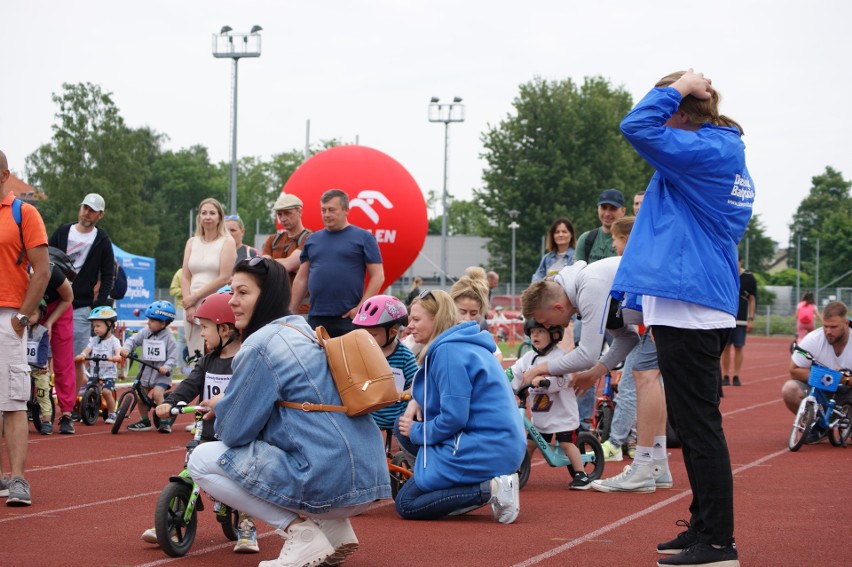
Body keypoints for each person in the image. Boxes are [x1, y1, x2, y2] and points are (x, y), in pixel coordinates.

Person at [611, 69, 752, 566]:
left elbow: (636, 126)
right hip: (688, 300)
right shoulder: (713, 148)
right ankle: (704, 529)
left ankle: (718, 543)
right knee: (694, 428)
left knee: (699, 428)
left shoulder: (709, 149)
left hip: (692, 305)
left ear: (680, 110)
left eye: (668, 103)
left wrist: (682, 82)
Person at [188, 258, 389, 567]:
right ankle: (335, 529)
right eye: (231, 291)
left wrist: (226, 406)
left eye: (243, 292)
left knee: (201, 459)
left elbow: (233, 432)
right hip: (368, 475)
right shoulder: (306, 331)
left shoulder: (260, 344)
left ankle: (299, 533)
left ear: (267, 296)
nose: (232, 300)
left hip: (329, 480)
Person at [142, 291, 260, 553]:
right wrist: (170, 402)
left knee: (242, 478)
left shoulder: (245, 361)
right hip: (207, 431)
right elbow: (189, 386)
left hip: (237, 434)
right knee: (191, 466)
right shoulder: (207, 361)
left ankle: (246, 524)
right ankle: (173, 520)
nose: (202, 334)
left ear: (226, 329)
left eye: (206, 327)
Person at [393, 290, 525, 523]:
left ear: (437, 319)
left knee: (407, 504)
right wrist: (415, 401)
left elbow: (454, 418)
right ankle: (450, 489)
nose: (409, 326)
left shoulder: (447, 352)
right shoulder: (458, 344)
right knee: (401, 427)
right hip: (496, 441)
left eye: (416, 319)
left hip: (488, 447)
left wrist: (417, 431)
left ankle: (491, 488)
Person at [579, 216, 674, 493]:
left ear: (629, 239)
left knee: (645, 378)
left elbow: (653, 291)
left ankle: (644, 465)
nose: (613, 245)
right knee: (651, 380)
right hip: (656, 324)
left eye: (617, 240)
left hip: (660, 324)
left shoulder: (639, 258)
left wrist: (656, 322)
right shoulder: (646, 256)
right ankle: (657, 464)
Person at [0, 149, 51, 507]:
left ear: (4, 176)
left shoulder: (24, 212)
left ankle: (17, 478)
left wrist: (22, 316)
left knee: (14, 401)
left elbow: (43, 270)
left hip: (8, 317)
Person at [519, 258, 639, 407]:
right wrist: (594, 373)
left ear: (558, 308)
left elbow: (587, 356)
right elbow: (628, 338)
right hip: (666, 313)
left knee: (646, 374)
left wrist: (540, 368)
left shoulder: (589, 287)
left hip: (671, 308)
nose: (547, 326)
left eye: (545, 320)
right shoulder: (582, 290)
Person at [508, 319, 591, 489]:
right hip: (542, 416)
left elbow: (566, 379)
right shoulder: (528, 358)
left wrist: (545, 381)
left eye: (540, 331)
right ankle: (519, 471)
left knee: (567, 444)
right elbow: (514, 372)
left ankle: (580, 474)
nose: (534, 335)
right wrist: (503, 382)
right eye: (532, 332)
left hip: (562, 414)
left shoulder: (560, 357)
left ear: (554, 335)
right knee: (530, 444)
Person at [290, 189, 385, 337]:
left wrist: (361, 309)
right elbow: (302, 278)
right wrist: (291, 310)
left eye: (332, 210)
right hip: (316, 317)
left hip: (348, 318)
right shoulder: (312, 240)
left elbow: (378, 276)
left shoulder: (364, 238)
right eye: (323, 210)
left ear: (346, 210)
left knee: (347, 360)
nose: (326, 214)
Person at [48, 192, 115, 395]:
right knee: (45, 357)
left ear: (100, 215)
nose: (86, 213)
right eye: (85, 208)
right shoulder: (62, 231)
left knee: (76, 359)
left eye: (92, 211)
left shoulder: (102, 240)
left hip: (80, 306)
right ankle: (44, 402)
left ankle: (73, 403)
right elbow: (46, 259)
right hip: (53, 300)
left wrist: (96, 307)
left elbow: (108, 274)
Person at [783, 301, 851, 444]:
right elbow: (794, 370)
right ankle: (818, 427)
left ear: (846, 323)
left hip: (849, 392)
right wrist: (828, 376)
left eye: (834, 327)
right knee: (790, 389)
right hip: (822, 392)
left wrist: (844, 379)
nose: (828, 331)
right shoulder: (813, 339)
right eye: (825, 326)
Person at [351, 295, 418, 433]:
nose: (366, 339)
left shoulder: (405, 356)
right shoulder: (362, 351)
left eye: (372, 335)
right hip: (368, 421)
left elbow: (418, 385)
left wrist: (403, 393)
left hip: (394, 423)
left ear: (392, 333)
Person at [181, 198, 237, 361]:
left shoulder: (227, 242)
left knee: (213, 351)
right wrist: (189, 303)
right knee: (195, 354)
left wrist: (195, 297)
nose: (207, 217)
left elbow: (224, 277)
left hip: (214, 303)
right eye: (204, 213)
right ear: (199, 217)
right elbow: (185, 275)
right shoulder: (192, 242)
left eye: (212, 213)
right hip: (191, 305)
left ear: (219, 217)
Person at [120, 300, 178, 433]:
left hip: (161, 375)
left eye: (152, 321)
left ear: (163, 323)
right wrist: (126, 348)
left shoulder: (169, 338)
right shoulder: (146, 332)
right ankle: (144, 421)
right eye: (148, 320)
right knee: (140, 397)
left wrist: (167, 367)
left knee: (158, 394)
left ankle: (164, 421)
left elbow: (173, 357)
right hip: (145, 373)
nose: (148, 323)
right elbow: (132, 340)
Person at [262, 193, 312, 315]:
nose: (283, 218)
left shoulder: (310, 238)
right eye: (280, 214)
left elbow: (289, 264)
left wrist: (272, 263)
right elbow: (263, 267)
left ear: (299, 212)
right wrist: (288, 265)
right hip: (275, 307)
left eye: (287, 213)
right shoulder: (272, 239)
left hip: (302, 310)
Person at [41, 259, 75, 434]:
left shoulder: (53, 272)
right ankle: (35, 408)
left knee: (63, 363)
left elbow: (69, 298)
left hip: (59, 307)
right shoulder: (17, 270)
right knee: (30, 361)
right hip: (32, 308)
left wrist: (50, 322)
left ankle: (67, 414)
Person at [74, 306, 122, 424]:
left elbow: (118, 352)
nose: (95, 329)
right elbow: (87, 349)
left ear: (109, 324)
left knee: (106, 392)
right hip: (95, 372)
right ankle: (87, 411)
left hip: (108, 373)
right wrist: (82, 355)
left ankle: (112, 412)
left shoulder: (114, 341)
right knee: (90, 390)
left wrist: (117, 356)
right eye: (94, 326)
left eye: (98, 326)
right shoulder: (94, 340)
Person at [721, 257, 757, 388]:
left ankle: (736, 375)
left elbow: (752, 299)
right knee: (725, 348)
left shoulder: (748, 277)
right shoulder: (725, 273)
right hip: (726, 317)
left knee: (738, 346)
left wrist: (751, 318)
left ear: (741, 261)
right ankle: (725, 375)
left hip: (741, 318)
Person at [574, 189, 626, 265]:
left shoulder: (630, 240)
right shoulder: (586, 239)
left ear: (623, 211)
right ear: (598, 209)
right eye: (603, 208)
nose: (607, 213)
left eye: (613, 208)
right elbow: (577, 271)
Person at [27, 302, 52, 434]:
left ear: (40, 315)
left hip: (38, 369)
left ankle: (47, 421)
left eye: (33, 314)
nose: (30, 316)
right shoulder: (21, 329)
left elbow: (43, 349)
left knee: (42, 393)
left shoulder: (42, 332)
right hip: (24, 369)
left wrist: (42, 364)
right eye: (28, 313)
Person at [532, 217, 577, 282]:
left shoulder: (576, 257)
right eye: (557, 232)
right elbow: (537, 276)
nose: (560, 235)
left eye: (564, 232)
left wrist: (551, 279)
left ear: (571, 234)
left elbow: (570, 277)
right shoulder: (547, 258)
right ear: (552, 236)